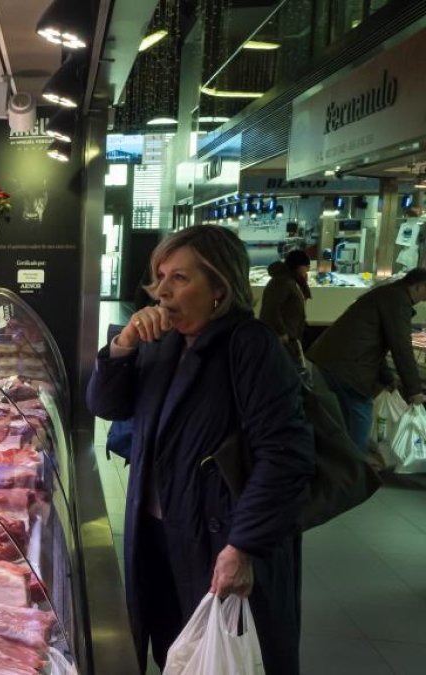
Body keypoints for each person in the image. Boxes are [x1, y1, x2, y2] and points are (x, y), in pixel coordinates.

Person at [86, 225, 313, 674]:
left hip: (220, 541)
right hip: (158, 532)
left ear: (219, 288)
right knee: (178, 649)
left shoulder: (250, 346)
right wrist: (122, 346)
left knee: (222, 656)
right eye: (160, 276)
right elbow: (105, 404)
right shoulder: (161, 340)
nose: (161, 291)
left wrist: (243, 546)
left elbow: (286, 455)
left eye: (180, 279)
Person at [307, 268, 426, 455]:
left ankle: (346, 465)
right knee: (361, 414)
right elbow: (400, 347)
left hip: (331, 360)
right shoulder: (397, 301)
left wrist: (387, 378)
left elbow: (375, 342)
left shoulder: (388, 295)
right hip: (346, 366)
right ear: (417, 286)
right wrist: (414, 390)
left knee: (346, 420)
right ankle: (356, 470)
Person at [260, 249, 312, 362]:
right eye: (306, 266)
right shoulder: (282, 282)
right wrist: (282, 332)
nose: (308, 270)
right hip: (282, 339)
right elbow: (272, 309)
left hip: (289, 337)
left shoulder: (292, 281)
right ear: (297, 266)